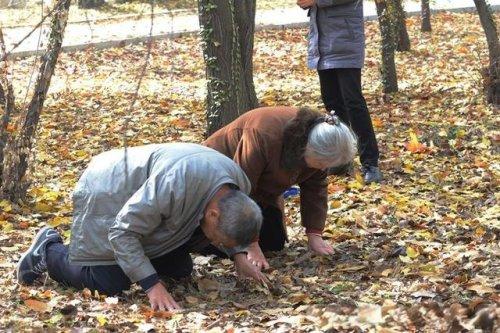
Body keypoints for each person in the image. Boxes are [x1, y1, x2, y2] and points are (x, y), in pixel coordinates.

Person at [17, 143, 265, 311]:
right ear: (212, 214)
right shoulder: (174, 185)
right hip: (108, 189)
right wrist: (151, 285)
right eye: (220, 242)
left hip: (146, 199)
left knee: (180, 269)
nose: (217, 246)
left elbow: (231, 221)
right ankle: (49, 250)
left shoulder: (236, 185)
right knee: (109, 283)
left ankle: (133, 265)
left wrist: (239, 257)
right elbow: (122, 231)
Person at [204, 106, 357, 269]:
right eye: (321, 163)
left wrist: (315, 233)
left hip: (262, 193)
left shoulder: (323, 136)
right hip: (217, 188)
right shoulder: (263, 134)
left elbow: (316, 186)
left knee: (273, 242)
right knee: (224, 241)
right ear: (306, 148)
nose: (322, 169)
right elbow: (241, 189)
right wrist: (250, 244)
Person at [297, 0, 382, 183]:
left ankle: (370, 163)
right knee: (332, 102)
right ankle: (342, 159)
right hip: (322, 42)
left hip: (345, 41)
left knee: (353, 102)